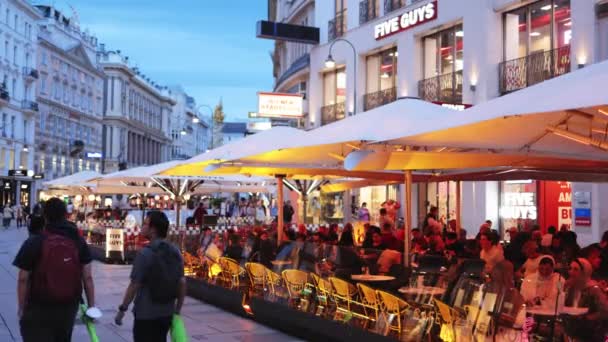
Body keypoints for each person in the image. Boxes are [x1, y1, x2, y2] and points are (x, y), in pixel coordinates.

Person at [14, 198, 95, 342]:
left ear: (45, 216)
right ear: (66, 215)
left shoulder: (35, 241)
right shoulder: (78, 241)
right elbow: (87, 278)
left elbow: (23, 278)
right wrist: (91, 307)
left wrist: (21, 308)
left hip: (38, 305)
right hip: (68, 305)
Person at [115, 211, 186, 342]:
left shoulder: (145, 254)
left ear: (153, 230)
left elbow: (134, 286)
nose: (142, 226)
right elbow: (182, 283)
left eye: (145, 224)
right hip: (167, 312)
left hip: (146, 315)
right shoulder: (175, 251)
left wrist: (122, 310)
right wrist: (177, 310)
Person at [562, 258, 608, 341]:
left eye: (575, 269)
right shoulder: (570, 286)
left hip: (589, 334)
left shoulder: (594, 289)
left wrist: (587, 318)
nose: (571, 272)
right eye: (570, 269)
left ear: (585, 272)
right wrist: (563, 290)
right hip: (571, 332)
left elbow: (605, 312)